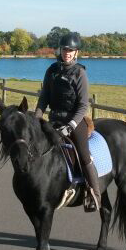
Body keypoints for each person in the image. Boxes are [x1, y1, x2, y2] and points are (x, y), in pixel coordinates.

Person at [34, 32, 100, 212]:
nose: (67, 53)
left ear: (76, 52)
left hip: (75, 122)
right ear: (60, 50)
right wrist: (37, 117)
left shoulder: (80, 73)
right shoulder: (51, 70)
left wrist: (71, 126)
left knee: (84, 156)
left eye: (71, 50)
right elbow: (44, 98)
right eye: (65, 50)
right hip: (54, 119)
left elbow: (83, 105)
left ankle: (94, 195)